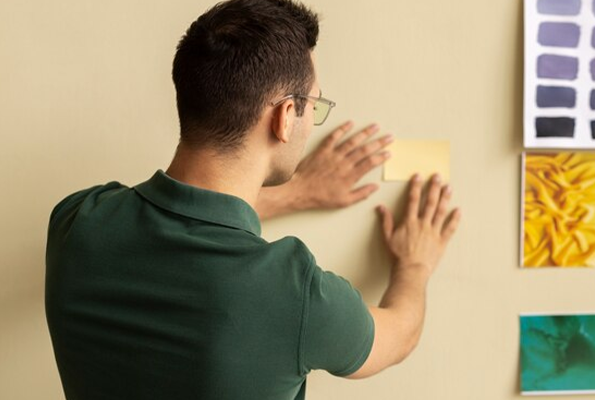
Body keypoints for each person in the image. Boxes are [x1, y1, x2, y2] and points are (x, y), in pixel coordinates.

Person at [44, 0, 461, 399]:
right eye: (312, 105)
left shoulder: (77, 222)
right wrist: (416, 264)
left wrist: (297, 193)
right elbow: (398, 336)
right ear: (284, 117)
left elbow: (180, 218)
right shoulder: (293, 290)